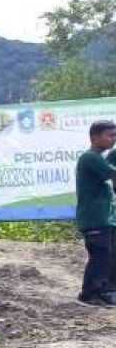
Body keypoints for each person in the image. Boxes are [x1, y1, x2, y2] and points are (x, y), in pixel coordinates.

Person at [74, 119, 116, 307]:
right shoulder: (90, 158)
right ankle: (89, 294)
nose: (113, 139)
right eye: (110, 135)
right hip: (94, 218)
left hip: (105, 219)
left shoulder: (100, 158)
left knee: (108, 256)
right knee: (100, 256)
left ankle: (104, 292)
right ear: (95, 137)